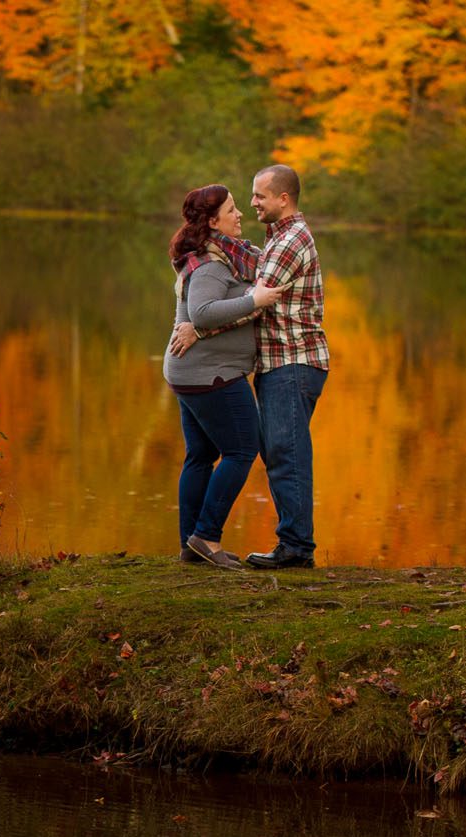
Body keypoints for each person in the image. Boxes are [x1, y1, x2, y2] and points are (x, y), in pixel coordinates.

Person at [171, 164, 329, 570]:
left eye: (258, 197)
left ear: (283, 198)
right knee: (253, 451)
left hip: (292, 360)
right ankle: (199, 541)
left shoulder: (289, 241)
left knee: (283, 453)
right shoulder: (256, 247)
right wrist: (198, 322)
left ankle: (294, 547)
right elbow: (250, 296)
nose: (250, 205)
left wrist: (198, 330)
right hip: (274, 362)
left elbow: (261, 301)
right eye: (242, 202)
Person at [163, 185, 282, 569]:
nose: (240, 215)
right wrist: (255, 300)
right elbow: (203, 312)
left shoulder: (218, 256)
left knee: (201, 455)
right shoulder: (213, 263)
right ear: (213, 221)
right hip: (210, 374)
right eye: (232, 210)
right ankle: (206, 536)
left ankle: (190, 545)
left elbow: (200, 315)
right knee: (242, 449)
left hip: (190, 370)